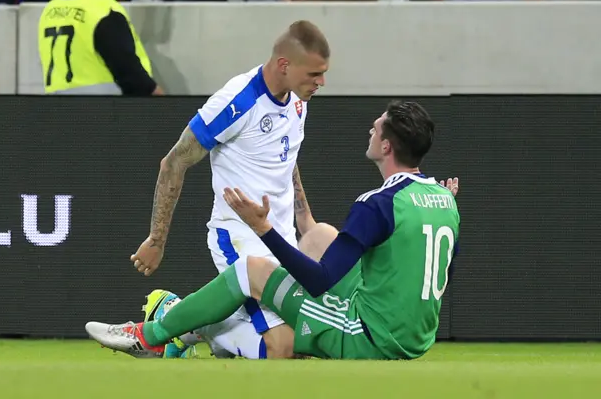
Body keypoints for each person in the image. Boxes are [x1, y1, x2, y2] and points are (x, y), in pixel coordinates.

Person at [85, 100, 461, 361]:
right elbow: (440, 273)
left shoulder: (377, 202)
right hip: (417, 339)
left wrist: (263, 228)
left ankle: (152, 335)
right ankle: (195, 322)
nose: (370, 127)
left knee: (253, 272)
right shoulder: (444, 199)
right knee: (320, 236)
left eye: (376, 125)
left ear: (385, 144)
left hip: (370, 339)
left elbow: (319, 280)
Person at [103, 20, 330, 360]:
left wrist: (305, 220)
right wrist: (156, 240)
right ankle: (181, 320)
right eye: (314, 74)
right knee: (281, 349)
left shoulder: (297, 99)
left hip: (279, 242)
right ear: (285, 64)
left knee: (309, 344)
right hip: (239, 239)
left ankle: (204, 322)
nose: (321, 83)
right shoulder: (237, 101)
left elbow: (286, 156)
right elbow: (174, 162)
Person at [37, 0, 163, 95]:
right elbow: (134, 79)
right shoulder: (104, 10)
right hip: (103, 112)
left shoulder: (51, 9)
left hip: (58, 113)